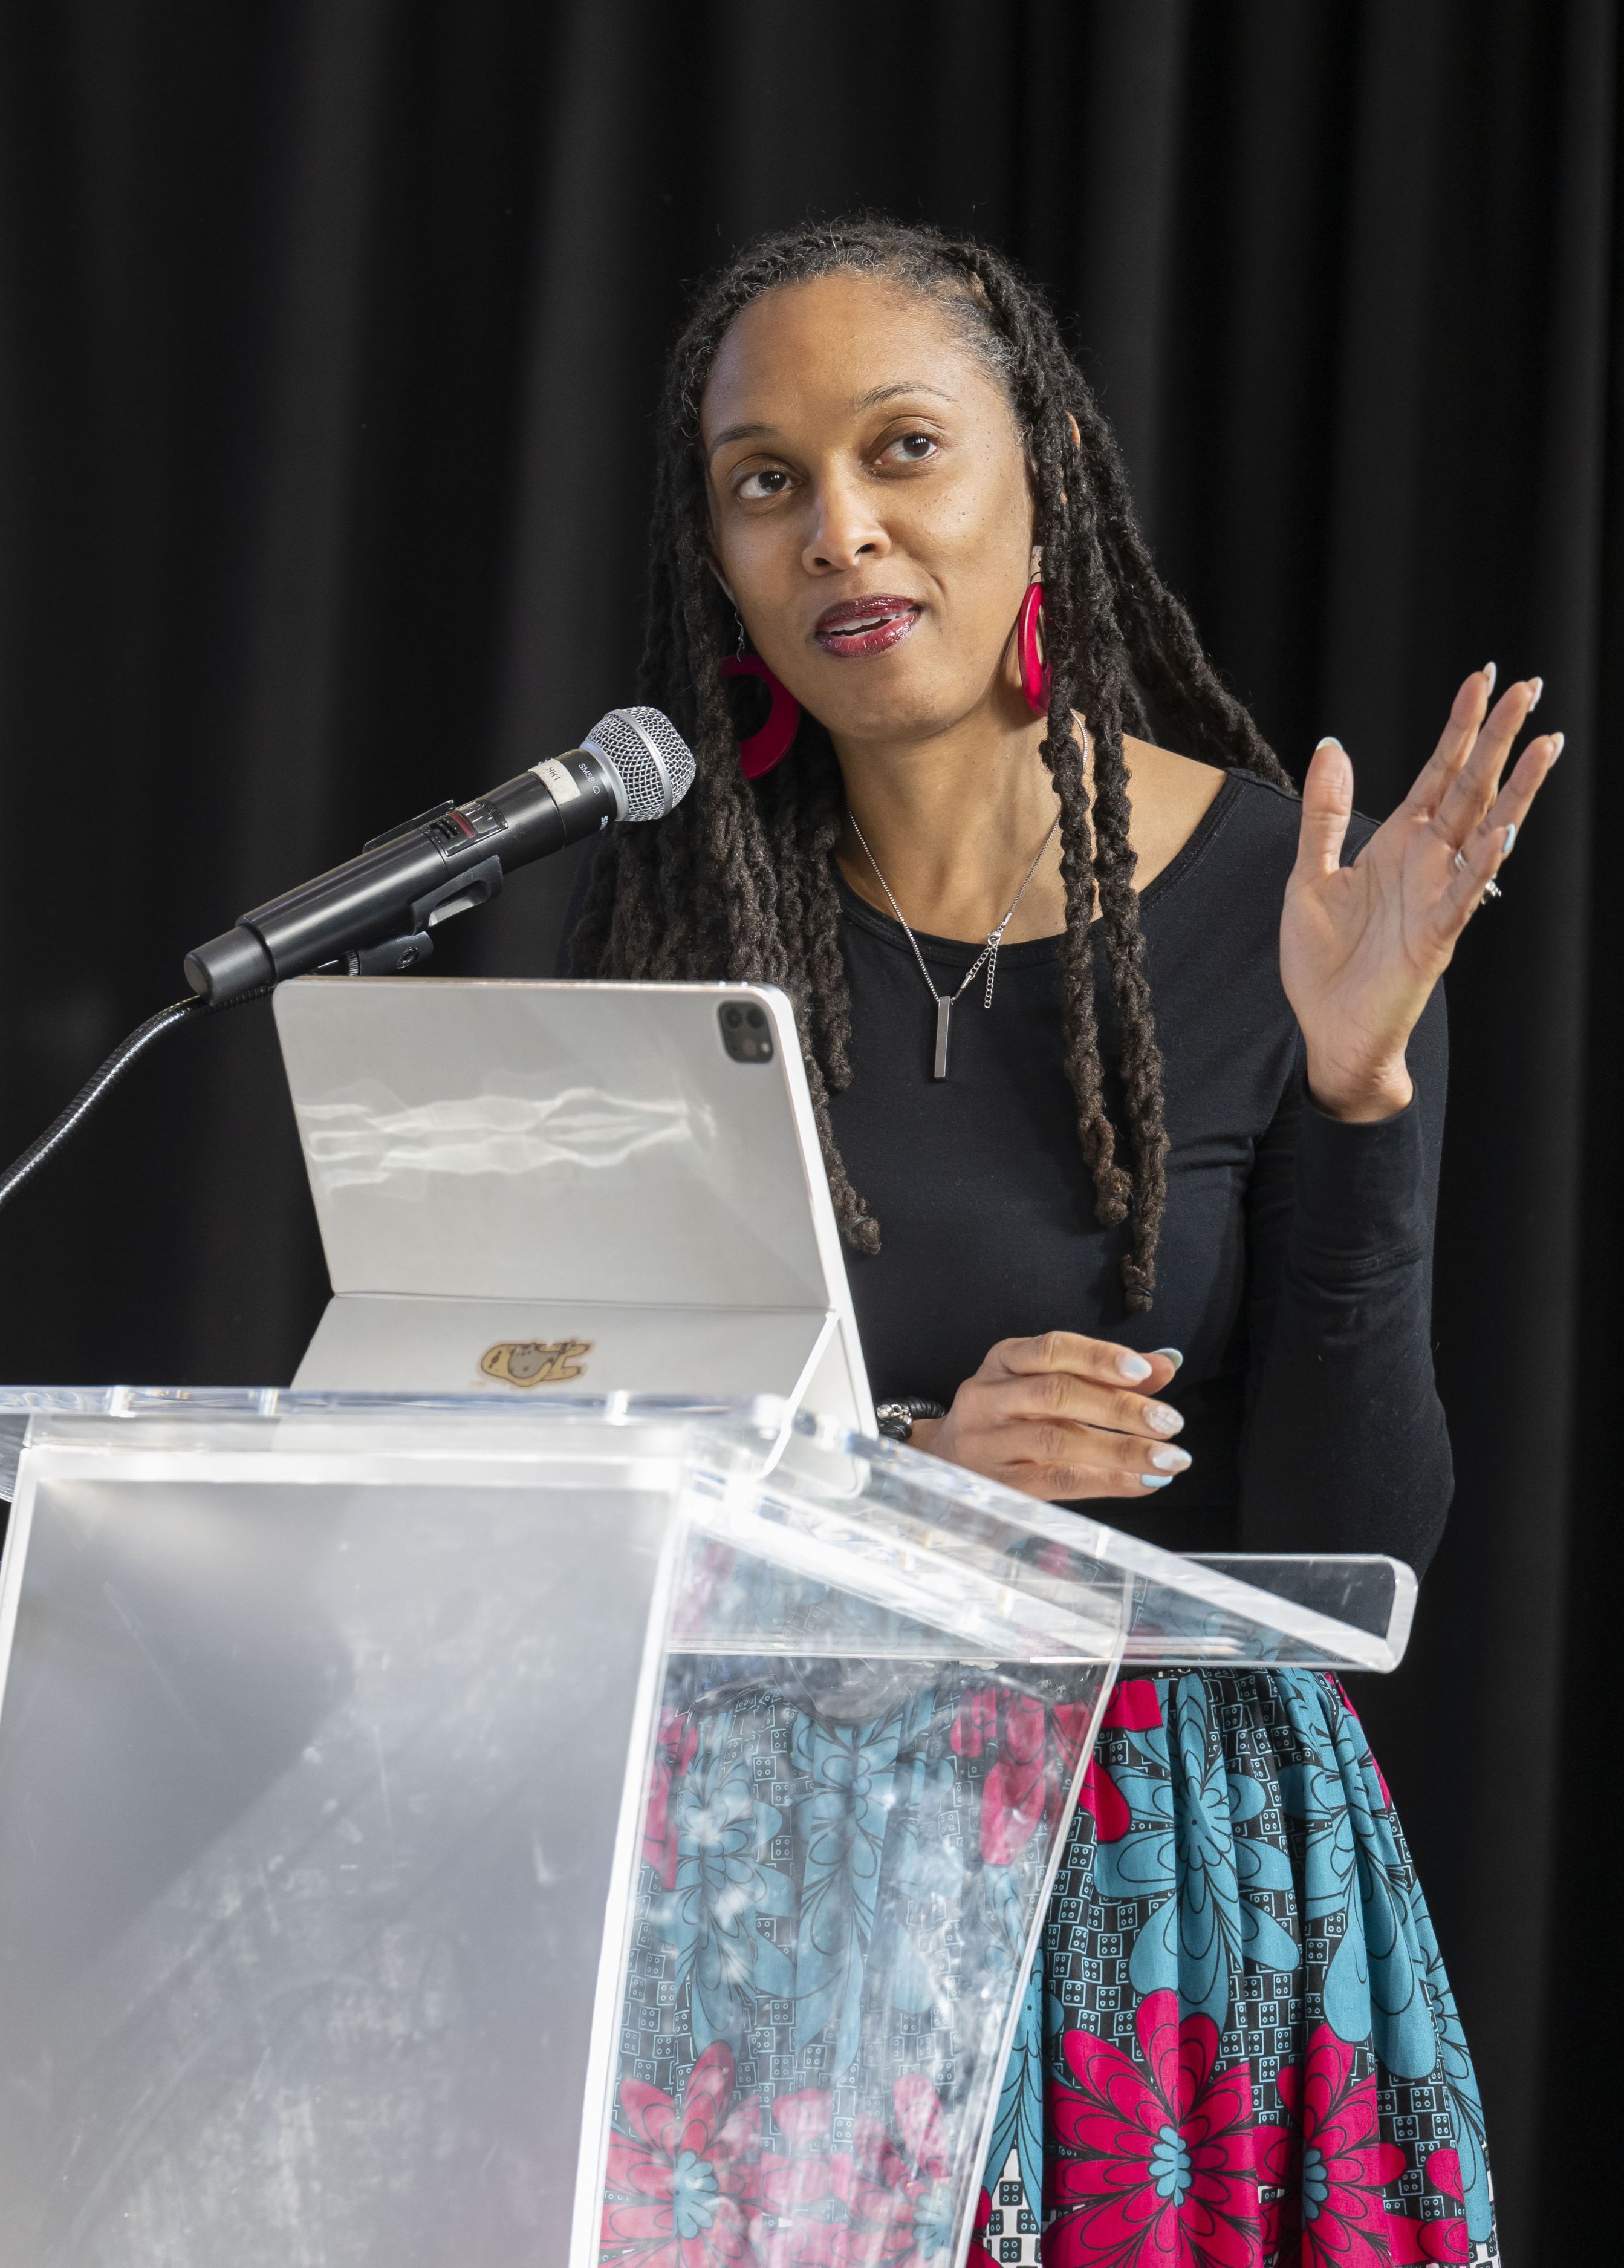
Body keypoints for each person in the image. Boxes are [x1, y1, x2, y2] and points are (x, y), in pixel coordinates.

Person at [564, 219, 1550, 2266]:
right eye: (769, 481)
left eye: (902, 449)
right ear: (721, 552)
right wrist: (908, 1474)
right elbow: (593, 1479)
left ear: (1043, 477)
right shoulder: (678, 932)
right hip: (766, 1897)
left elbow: (1356, 1541)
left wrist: (1362, 1089)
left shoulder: (1292, 898)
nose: (841, 529)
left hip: (1164, 1912)